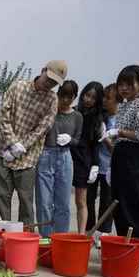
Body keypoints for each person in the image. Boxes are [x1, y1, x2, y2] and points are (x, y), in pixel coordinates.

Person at [0, 61, 65, 225]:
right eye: (49, 79)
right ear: (43, 71)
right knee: (1, 199)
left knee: (26, 202)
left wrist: (21, 147)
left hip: (27, 158)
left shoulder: (52, 100)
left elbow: (43, 128)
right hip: (3, 153)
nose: (50, 84)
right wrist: (12, 143)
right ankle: (3, 238)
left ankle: (25, 241)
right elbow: (4, 116)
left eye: (54, 83)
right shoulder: (17, 87)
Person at [105, 65, 139, 272]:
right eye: (121, 84)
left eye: (129, 84)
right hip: (122, 157)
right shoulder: (125, 104)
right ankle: (127, 248)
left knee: (137, 205)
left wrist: (120, 132)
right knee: (121, 205)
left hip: (138, 158)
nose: (124, 88)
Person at [35, 80, 82, 237]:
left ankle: (60, 237)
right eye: (63, 96)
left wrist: (70, 139)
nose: (65, 100)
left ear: (74, 97)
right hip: (46, 154)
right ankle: (46, 237)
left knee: (63, 202)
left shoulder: (77, 116)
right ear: (58, 94)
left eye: (70, 97)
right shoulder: (50, 110)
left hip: (65, 156)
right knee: (44, 201)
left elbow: (78, 139)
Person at [86, 83, 119, 244]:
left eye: (108, 98)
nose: (104, 101)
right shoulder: (100, 116)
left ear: (117, 100)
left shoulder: (120, 121)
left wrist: (105, 137)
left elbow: (117, 151)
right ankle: (89, 229)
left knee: (107, 201)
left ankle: (103, 232)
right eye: (104, 97)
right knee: (88, 199)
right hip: (94, 165)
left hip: (110, 167)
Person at [71, 82, 105, 234]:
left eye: (93, 97)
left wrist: (95, 165)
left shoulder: (98, 119)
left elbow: (96, 145)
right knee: (61, 201)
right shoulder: (73, 112)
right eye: (87, 95)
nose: (88, 99)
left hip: (84, 161)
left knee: (81, 201)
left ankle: (81, 233)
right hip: (67, 159)